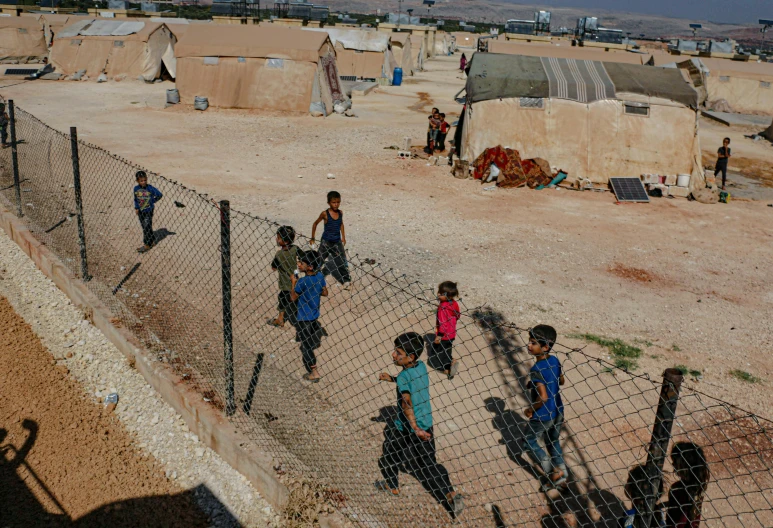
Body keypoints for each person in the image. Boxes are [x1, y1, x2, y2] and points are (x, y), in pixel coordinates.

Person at [376, 332, 465, 518]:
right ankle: (450, 493)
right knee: (429, 463)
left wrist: (414, 428)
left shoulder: (403, 378)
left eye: (398, 352)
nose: (393, 355)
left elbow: (406, 402)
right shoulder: (422, 367)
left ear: (411, 357)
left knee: (390, 454)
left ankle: (392, 485)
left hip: (407, 427)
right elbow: (410, 381)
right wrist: (392, 379)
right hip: (426, 424)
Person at [523, 324, 567, 490]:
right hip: (558, 410)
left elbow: (543, 397)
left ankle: (552, 473)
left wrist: (530, 410)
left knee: (530, 442)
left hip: (543, 414)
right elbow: (561, 381)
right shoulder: (554, 360)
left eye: (533, 343)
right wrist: (534, 383)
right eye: (529, 341)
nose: (529, 345)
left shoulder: (536, 369)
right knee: (553, 441)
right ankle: (561, 476)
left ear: (545, 346)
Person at [290, 250, 327, 382]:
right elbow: (325, 292)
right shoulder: (320, 277)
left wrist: (294, 282)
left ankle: (314, 372)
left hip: (303, 317)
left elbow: (293, 297)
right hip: (314, 315)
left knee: (306, 347)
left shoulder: (302, 282)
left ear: (310, 267)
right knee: (309, 338)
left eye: (302, 263)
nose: (299, 264)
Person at [665, 442, 710, 528]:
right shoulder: (698, 487)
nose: (673, 465)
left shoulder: (678, 490)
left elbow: (680, 521)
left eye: (675, 462)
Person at [311, 191, 351, 285]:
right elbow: (315, 223)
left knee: (341, 261)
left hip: (337, 242)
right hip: (326, 242)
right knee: (319, 260)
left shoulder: (340, 213)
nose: (336, 204)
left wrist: (343, 237)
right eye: (334, 202)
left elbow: (341, 224)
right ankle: (312, 277)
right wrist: (312, 237)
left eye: (338, 202)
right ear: (329, 203)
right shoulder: (325, 214)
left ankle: (346, 280)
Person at [269, 225, 300, 328]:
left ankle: (280, 319)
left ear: (285, 241)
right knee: (296, 298)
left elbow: (274, 267)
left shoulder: (279, 255)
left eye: (278, 238)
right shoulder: (295, 249)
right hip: (295, 280)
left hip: (285, 283)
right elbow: (303, 256)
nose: (276, 240)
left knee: (282, 298)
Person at [433, 281, 460, 380]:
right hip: (452, 333)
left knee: (441, 352)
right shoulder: (454, 303)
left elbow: (443, 324)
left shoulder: (442, 307)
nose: (438, 294)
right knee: (448, 348)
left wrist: (439, 335)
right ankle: (451, 360)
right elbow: (458, 315)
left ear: (447, 295)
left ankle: (447, 369)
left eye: (441, 293)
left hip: (444, 335)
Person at [133, 170, 163, 253]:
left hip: (149, 211)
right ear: (137, 181)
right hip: (140, 211)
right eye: (141, 181)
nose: (143, 182)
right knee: (145, 227)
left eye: (145, 180)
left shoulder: (150, 188)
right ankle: (152, 240)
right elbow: (136, 199)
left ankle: (146, 244)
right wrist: (136, 208)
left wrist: (152, 201)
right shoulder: (136, 188)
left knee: (146, 227)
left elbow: (159, 195)